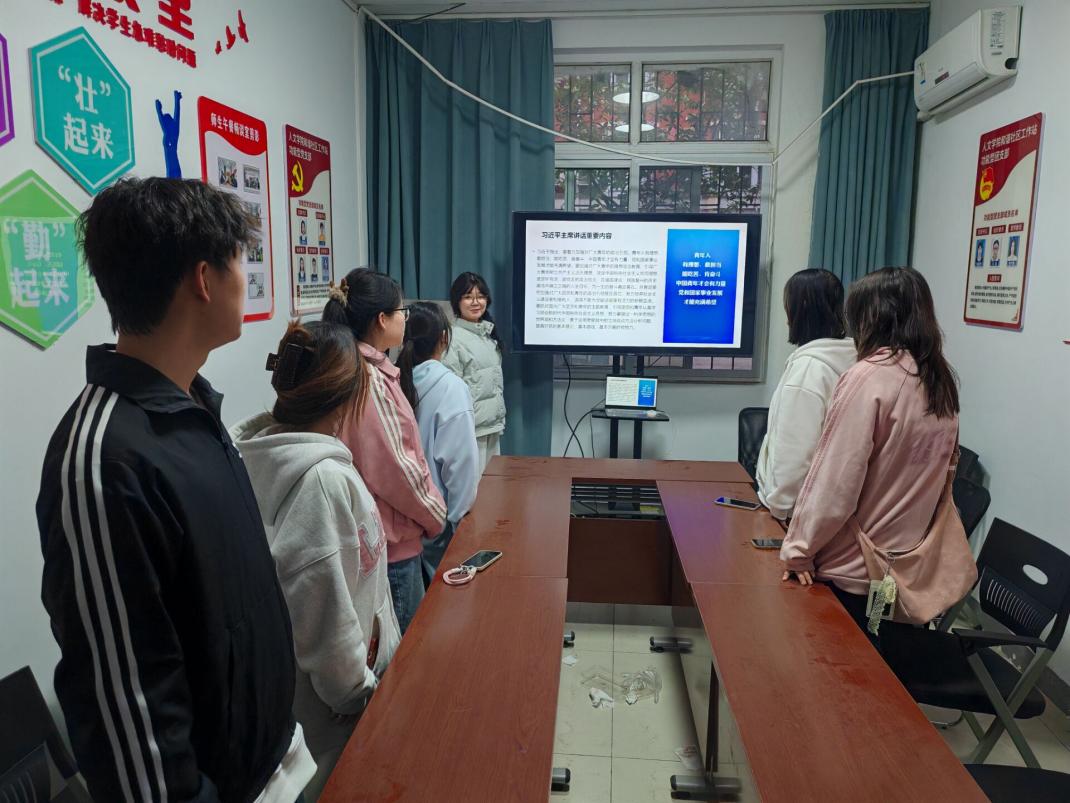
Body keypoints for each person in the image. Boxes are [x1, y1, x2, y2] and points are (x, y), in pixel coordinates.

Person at [36, 177, 315, 803]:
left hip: (272, 763)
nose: (247, 277)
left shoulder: (191, 409)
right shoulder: (103, 460)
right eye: (241, 260)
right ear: (204, 279)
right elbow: (129, 711)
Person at [231, 318, 401, 801]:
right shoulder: (321, 482)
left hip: (321, 699)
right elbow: (326, 619)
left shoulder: (269, 456)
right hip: (336, 717)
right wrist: (358, 695)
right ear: (349, 396)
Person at [780, 267, 960, 634]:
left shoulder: (869, 377)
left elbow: (835, 484)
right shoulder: (939, 380)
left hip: (852, 573)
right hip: (899, 572)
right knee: (877, 649)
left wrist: (798, 550)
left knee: (836, 660)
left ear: (870, 318)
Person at [323, 269, 446, 633]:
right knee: (401, 656)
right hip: (391, 549)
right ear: (381, 319)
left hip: (377, 539)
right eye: (400, 312)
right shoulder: (370, 380)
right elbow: (399, 470)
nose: (405, 319)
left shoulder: (356, 367)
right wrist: (436, 517)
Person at [756, 269, 856, 520]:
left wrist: (779, 508)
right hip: (828, 509)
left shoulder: (809, 370)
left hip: (794, 516)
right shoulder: (851, 359)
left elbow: (795, 453)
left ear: (799, 310)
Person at [396, 302, 480, 584]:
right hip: (437, 521)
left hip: (400, 518)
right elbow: (461, 465)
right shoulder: (451, 388)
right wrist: (457, 522)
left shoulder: (392, 380)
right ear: (444, 338)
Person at [443, 272, 506, 471]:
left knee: (492, 485)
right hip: (469, 432)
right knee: (474, 488)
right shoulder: (452, 338)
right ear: (457, 302)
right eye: (468, 297)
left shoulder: (487, 335)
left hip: (491, 426)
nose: (476, 302)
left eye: (480, 296)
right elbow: (450, 393)